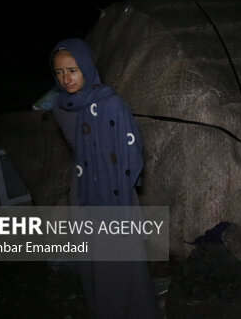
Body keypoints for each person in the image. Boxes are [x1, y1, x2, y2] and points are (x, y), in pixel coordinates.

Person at [51, 38, 162, 318]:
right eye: (59, 72)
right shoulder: (61, 107)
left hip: (116, 192)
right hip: (84, 191)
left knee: (123, 261)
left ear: (87, 66)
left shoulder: (111, 103)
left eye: (73, 70)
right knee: (94, 260)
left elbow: (132, 149)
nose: (66, 79)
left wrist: (121, 196)